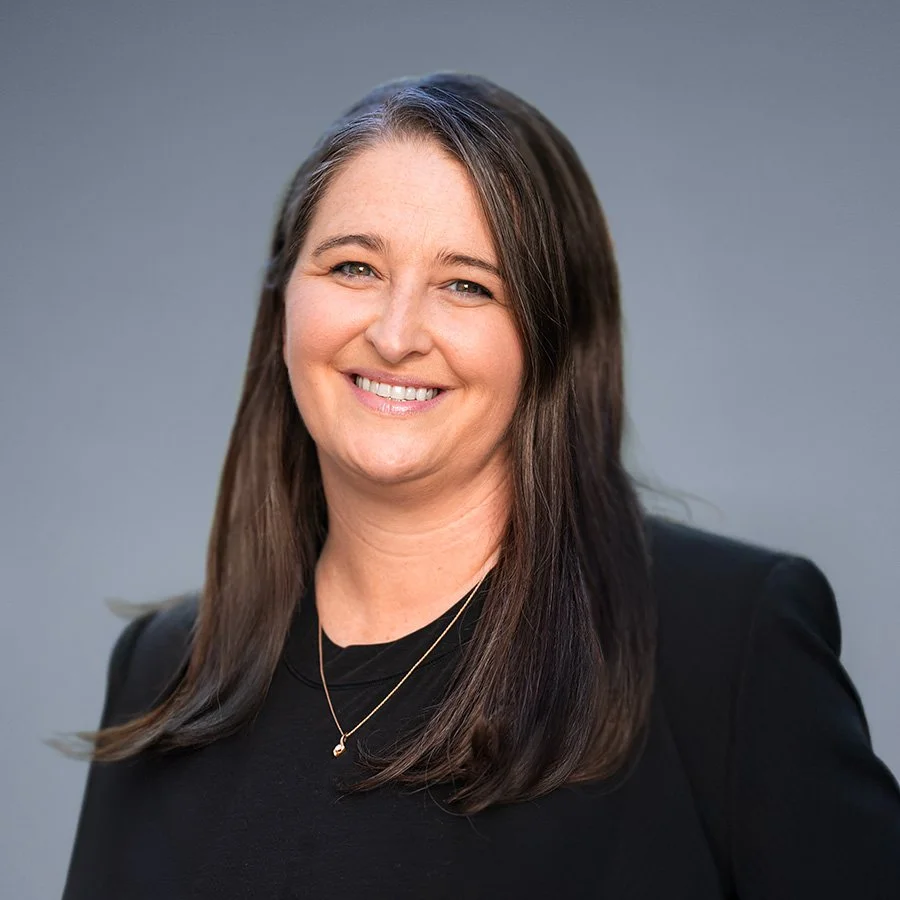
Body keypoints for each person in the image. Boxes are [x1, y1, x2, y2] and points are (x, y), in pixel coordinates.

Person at [59, 72, 900, 899]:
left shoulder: (721, 640)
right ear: (282, 302)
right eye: (354, 267)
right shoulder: (169, 667)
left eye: (467, 286)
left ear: (551, 339)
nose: (394, 335)